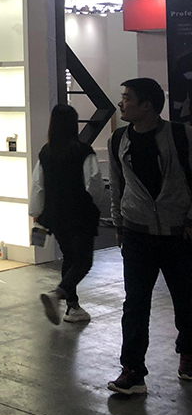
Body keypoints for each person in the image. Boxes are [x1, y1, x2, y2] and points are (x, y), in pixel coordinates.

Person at [106, 77, 192, 395]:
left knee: (186, 300)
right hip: (137, 233)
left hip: (178, 233)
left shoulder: (181, 136)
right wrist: (119, 225)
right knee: (135, 304)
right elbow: (117, 185)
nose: (121, 103)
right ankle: (132, 371)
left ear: (147, 105)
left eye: (127, 98)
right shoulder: (118, 140)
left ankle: (188, 353)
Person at [30, 104, 102, 326]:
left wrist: (36, 213)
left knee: (69, 258)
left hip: (56, 217)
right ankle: (58, 294)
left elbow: (38, 185)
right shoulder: (83, 151)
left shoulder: (46, 152)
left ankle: (73, 306)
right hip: (80, 216)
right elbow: (94, 184)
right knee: (83, 261)